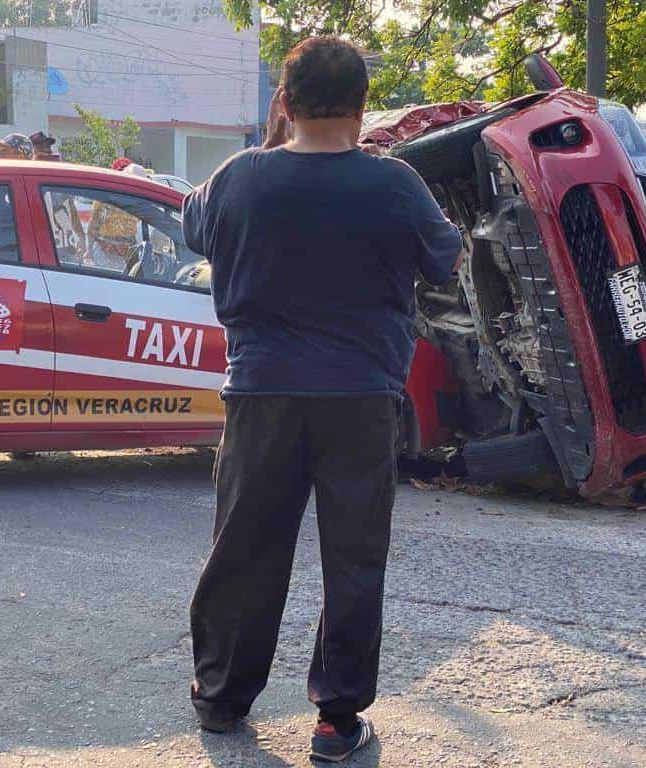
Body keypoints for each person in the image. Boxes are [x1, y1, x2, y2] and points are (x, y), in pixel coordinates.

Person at [182, 36, 462, 762]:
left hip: (261, 394)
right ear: (363, 107)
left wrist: (272, 146)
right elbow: (444, 256)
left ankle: (220, 701)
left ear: (284, 101)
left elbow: (192, 227)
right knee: (354, 557)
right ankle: (336, 722)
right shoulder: (395, 184)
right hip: (360, 398)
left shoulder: (238, 177)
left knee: (245, 551)